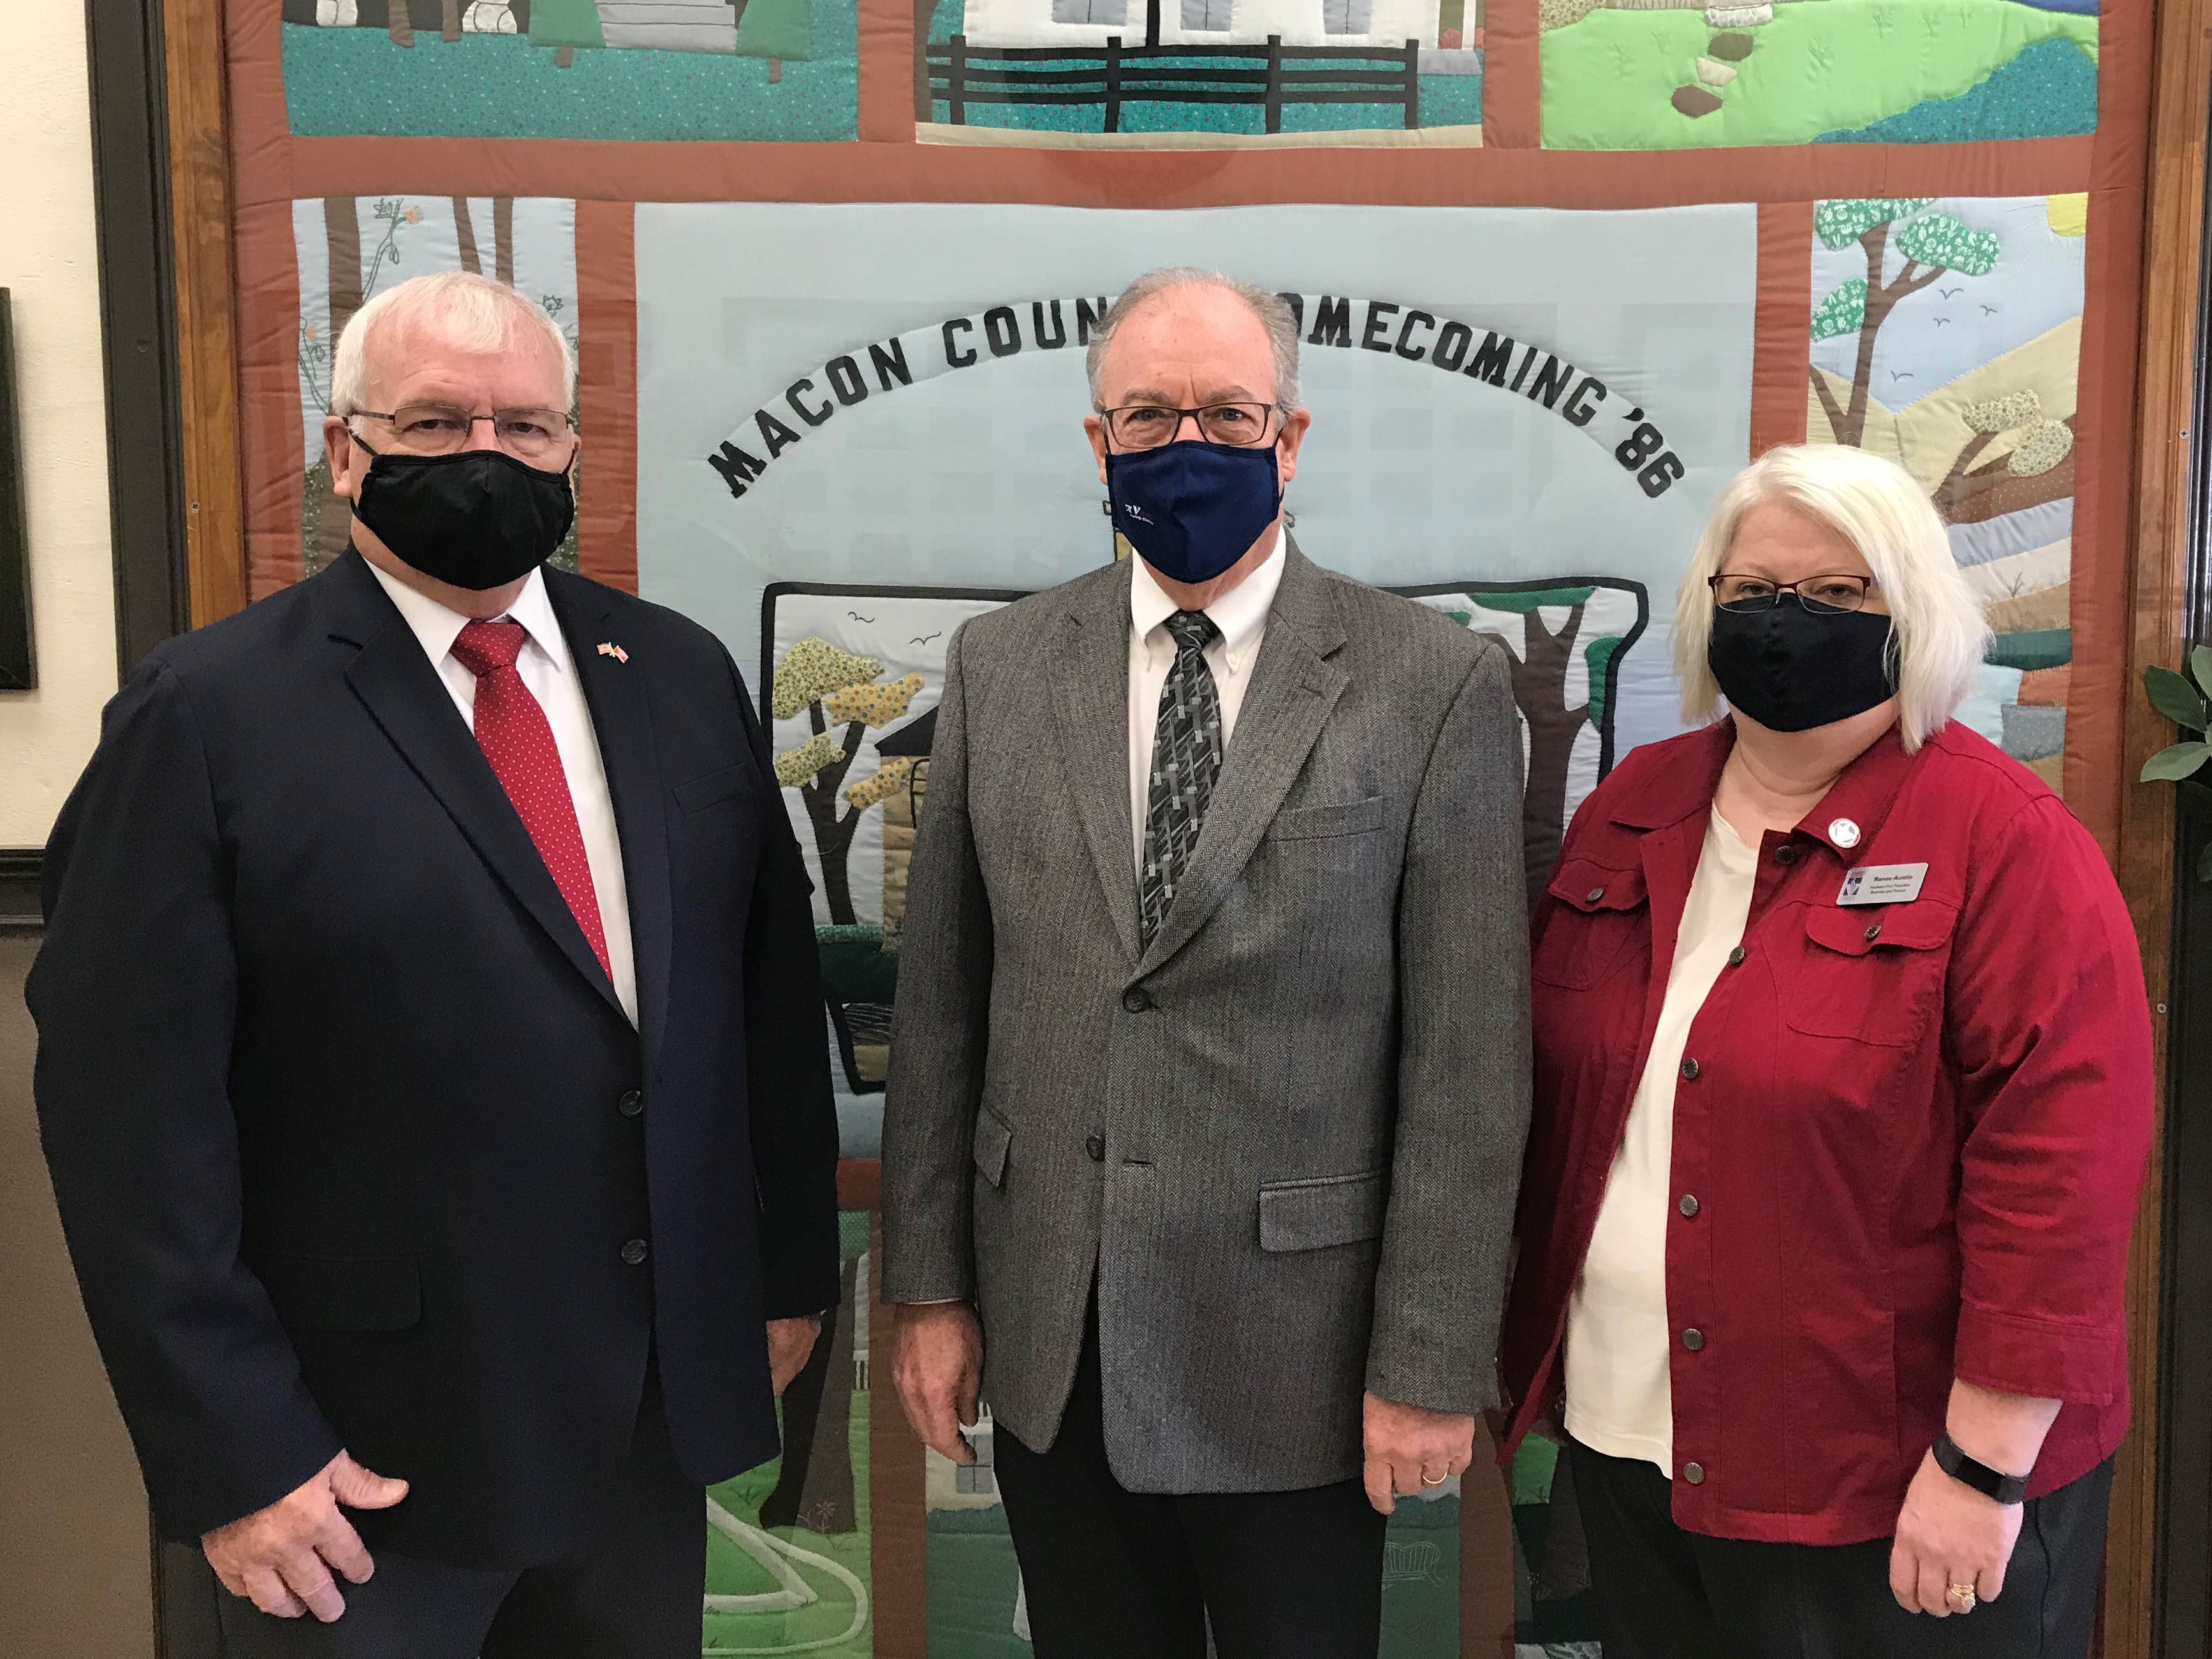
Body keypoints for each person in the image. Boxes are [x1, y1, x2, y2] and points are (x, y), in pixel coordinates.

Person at [29, 270, 840, 1658]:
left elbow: (761, 1004)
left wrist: (782, 1280)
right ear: (344, 450)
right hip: (352, 1470)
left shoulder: (673, 672)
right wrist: (239, 1450)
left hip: (638, 1436)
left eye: (525, 426)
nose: (486, 454)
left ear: (571, 447)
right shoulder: (206, 713)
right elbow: (127, 1122)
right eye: (434, 422)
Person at [881, 266, 1532, 1658]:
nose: (1189, 445)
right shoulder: (1000, 666)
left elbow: (1468, 1062)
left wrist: (1428, 1358)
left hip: (1300, 1350)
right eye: (1149, 415)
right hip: (1054, 1326)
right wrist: (928, 1291)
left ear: (1289, 439)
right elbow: (939, 1006)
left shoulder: (1432, 683)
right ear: (1097, 441)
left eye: (1229, 415)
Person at [1498, 442, 2152, 1656]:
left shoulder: (2004, 840)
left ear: (1911, 609)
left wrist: (1980, 1467)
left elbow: (2058, 1182)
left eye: (1837, 592)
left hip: (1886, 1481)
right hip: (1631, 1437)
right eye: (1752, 590)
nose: (1784, 619)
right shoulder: (1629, 809)